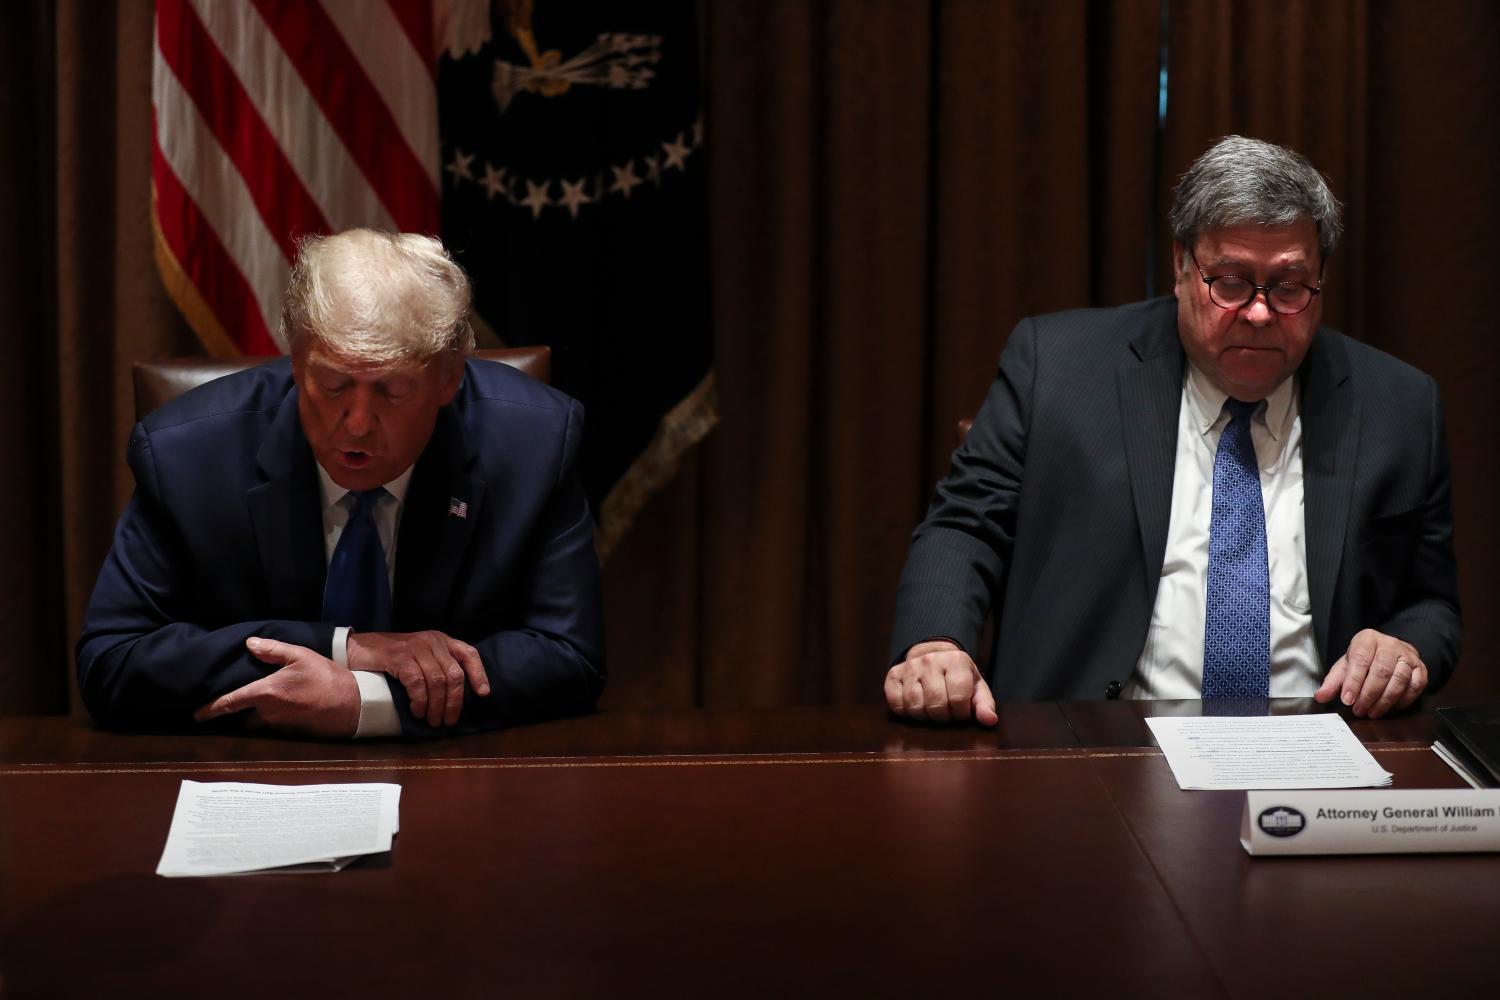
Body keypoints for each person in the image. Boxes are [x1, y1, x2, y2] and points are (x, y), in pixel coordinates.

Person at [886, 136, 1461, 726]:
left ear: (1321, 281)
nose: (1259, 312)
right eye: (1232, 281)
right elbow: (965, 526)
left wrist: (1404, 648)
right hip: (1095, 749)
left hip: (1315, 756)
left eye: (1289, 286)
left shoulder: (1399, 406)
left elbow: (1431, 601)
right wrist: (936, 643)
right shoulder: (1057, 368)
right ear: (1183, 267)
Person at [78, 229, 604, 738]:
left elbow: (570, 656)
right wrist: (346, 649)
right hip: (249, 781)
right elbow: (114, 660)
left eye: (392, 390)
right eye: (332, 385)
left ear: (449, 378)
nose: (356, 424)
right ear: (297, 360)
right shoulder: (185, 454)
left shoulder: (535, 443)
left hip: (456, 784)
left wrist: (366, 703)